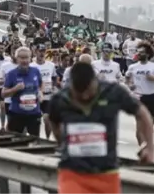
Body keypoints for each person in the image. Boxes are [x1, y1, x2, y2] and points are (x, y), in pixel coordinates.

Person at [49, 61, 154, 194]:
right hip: (72, 173)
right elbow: (53, 121)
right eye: (78, 93)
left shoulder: (113, 92)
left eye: (88, 91)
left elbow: (143, 114)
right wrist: (62, 142)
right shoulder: (60, 99)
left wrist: (150, 148)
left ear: (95, 81)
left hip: (106, 173)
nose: (84, 96)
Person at [1, 46, 43, 136]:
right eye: (21, 58)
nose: (24, 61)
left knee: (35, 140)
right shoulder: (11, 74)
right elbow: (3, 94)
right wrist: (15, 89)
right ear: (17, 59)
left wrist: (40, 93)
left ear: (30, 58)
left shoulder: (36, 71)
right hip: (17, 114)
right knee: (13, 140)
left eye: (26, 58)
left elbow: (41, 84)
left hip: (34, 113)